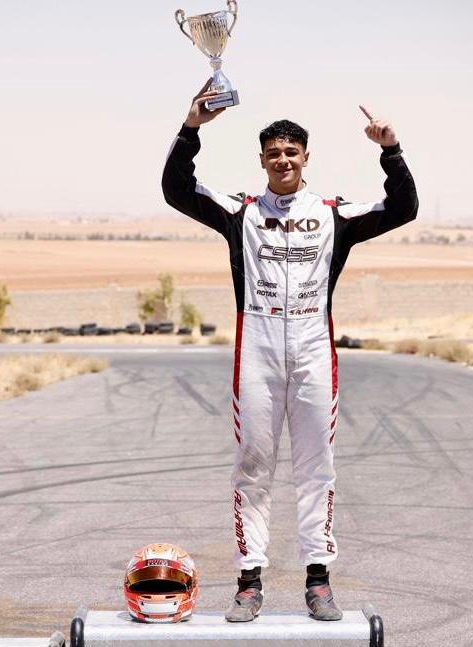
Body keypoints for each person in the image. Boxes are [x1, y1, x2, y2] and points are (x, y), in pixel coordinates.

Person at [161, 80, 418, 622]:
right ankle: (249, 582)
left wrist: (390, 150)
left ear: (306, 158)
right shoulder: (241, 211)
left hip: (313, 349)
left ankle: (318, 580)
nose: (283, 160)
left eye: (292, 152)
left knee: (316, 468)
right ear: (261, 160)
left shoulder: (332, 214)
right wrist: (191, 128)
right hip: (256, 351)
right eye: (274, 153)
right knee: (252, 467)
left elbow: (403, 208)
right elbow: (177, 189)